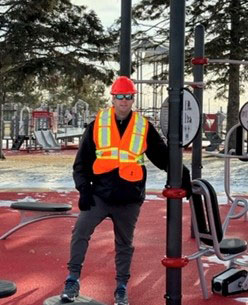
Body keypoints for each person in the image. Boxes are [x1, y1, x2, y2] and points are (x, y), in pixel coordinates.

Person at [60, 76, 192, 304]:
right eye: (119, 96)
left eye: (128, 96)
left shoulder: (143, 127)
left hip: (129, 198)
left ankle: (121, 287)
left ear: (133, 99)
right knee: (80, 232)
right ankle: (72, 279)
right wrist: (84, 190)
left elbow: (162, 156)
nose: (123, 101)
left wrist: (183, 174)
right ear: (113, 98)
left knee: (124, 244)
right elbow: (81, 162)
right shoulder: (97, 125)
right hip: (99, 195)